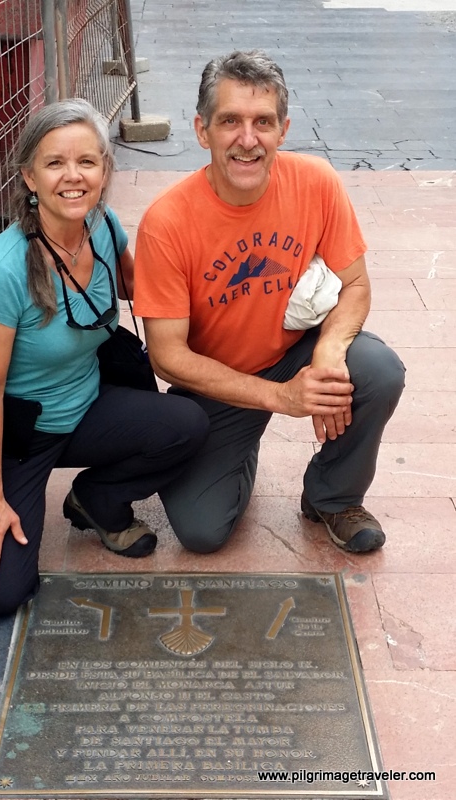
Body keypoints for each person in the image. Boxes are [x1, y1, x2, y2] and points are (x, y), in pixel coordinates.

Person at [133, 50, 405, 556]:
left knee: (378, 369)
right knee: (201, 532)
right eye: (230, 121)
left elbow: (357, 286)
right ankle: (240, 447)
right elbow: (169, 356)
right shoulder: (167, 222)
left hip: (295, 352)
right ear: (201, 130)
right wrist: (277, 400)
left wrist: (327, 354)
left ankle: (334, 496)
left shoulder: (316, 182)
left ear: (283, 129)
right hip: (216, 382)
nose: (247, 139)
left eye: (263, 122)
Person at [0, 99, 209, 616]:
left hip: (85, 406)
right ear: (29, 176)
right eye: (54, 163)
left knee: (188, 425)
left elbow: (141, 286)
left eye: (87, 162)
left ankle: (97, 498)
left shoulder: (104, 227)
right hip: (14, 436)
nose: (73, 177)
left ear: (105, 170)